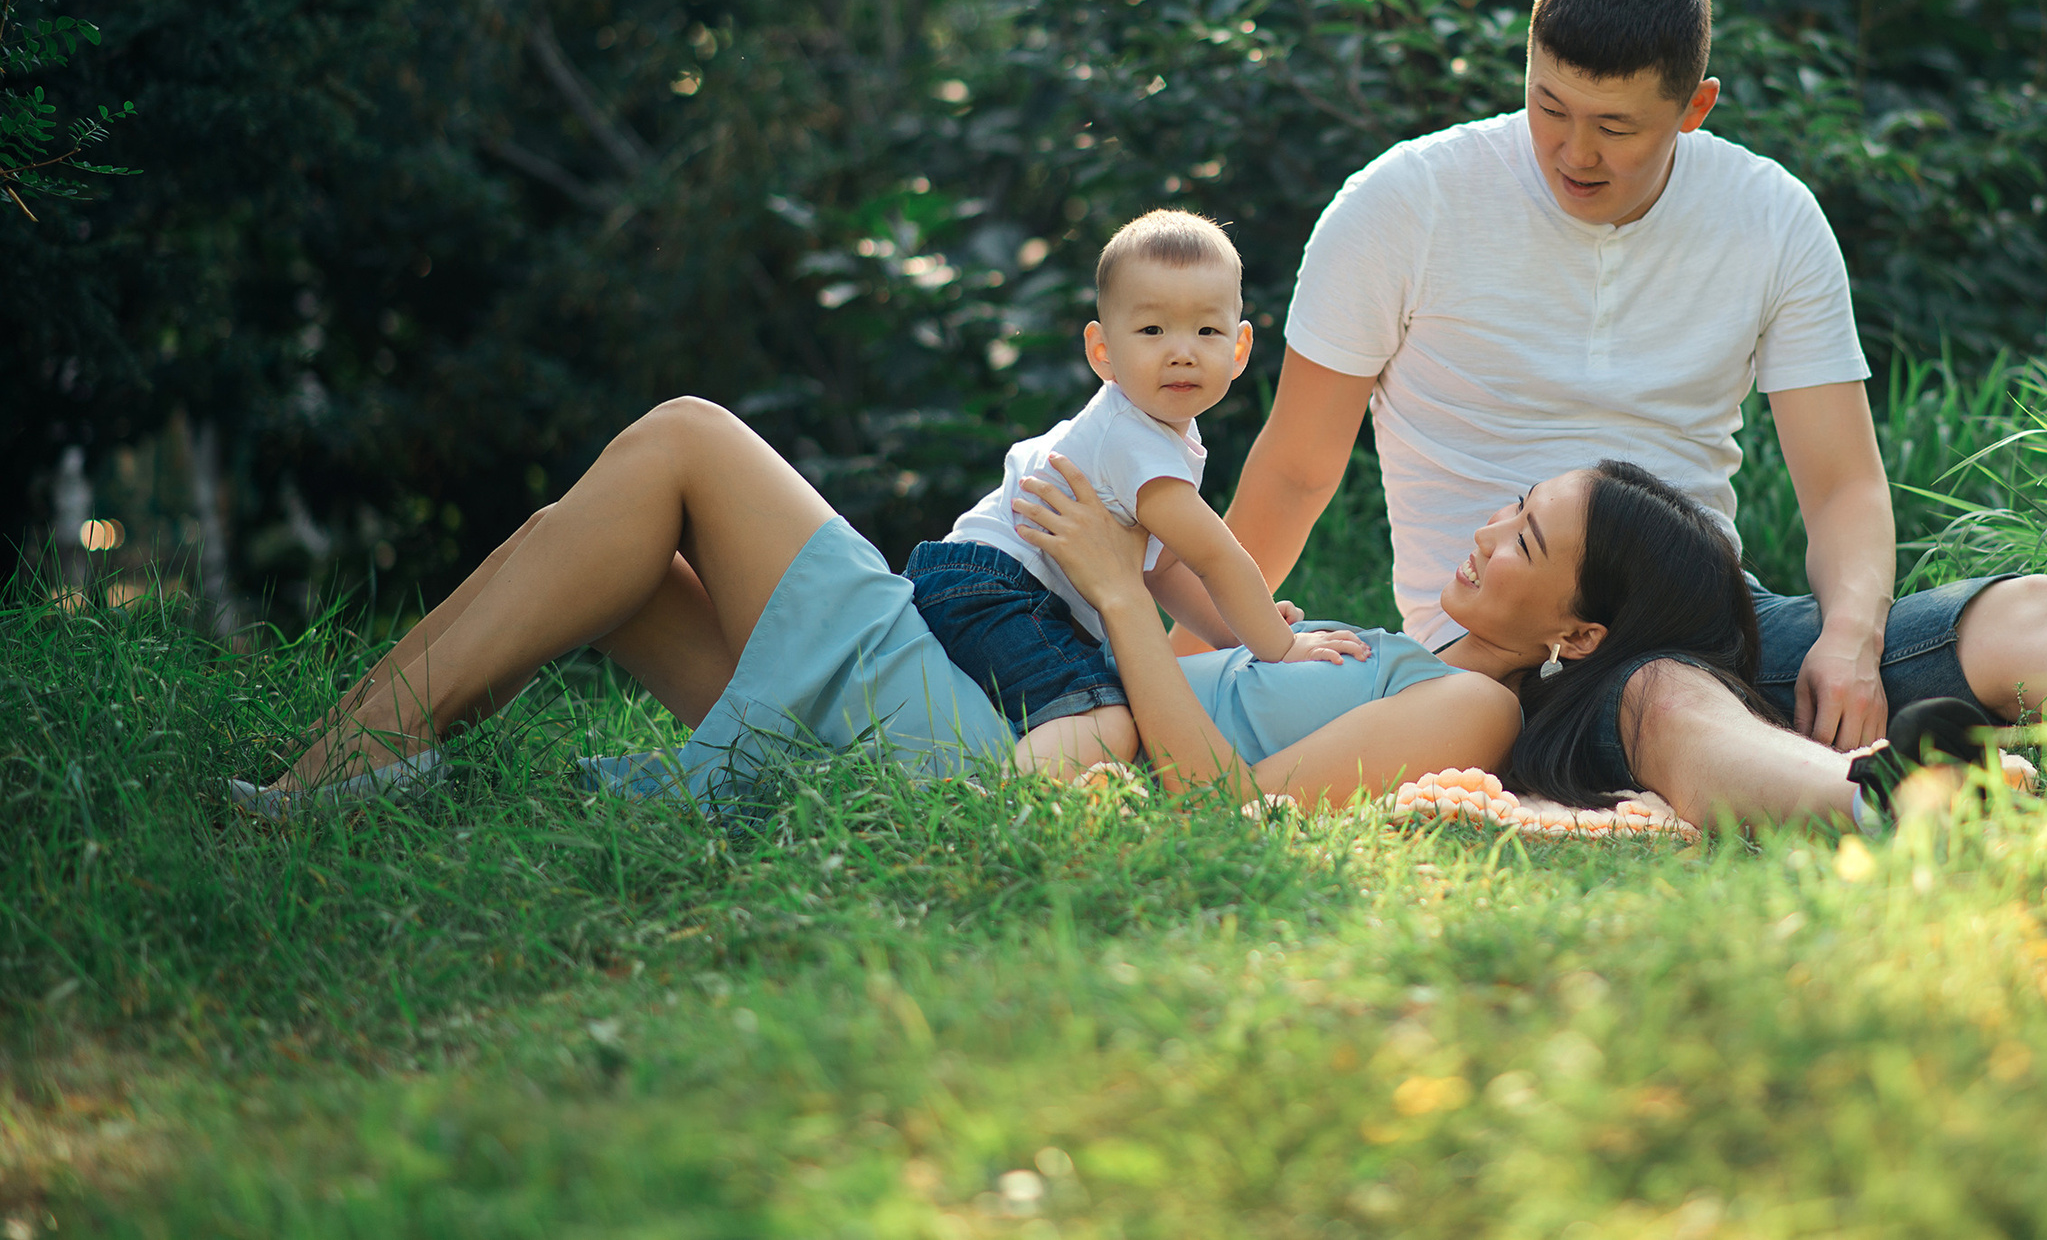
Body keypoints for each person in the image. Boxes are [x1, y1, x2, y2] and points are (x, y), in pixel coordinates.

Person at [1212, 0, 2047, 835]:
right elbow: (1299, 468)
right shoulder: (1401, 204)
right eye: (1549, 108)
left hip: (1714, 608)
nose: (1571, 152)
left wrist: (1850, 642)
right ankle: (1900, 810)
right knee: (1662, 698)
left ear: (1695, 106)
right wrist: (1173, 662)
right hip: (1521, 652)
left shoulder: (1768, 215)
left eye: (1615, 126)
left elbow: (1842, 487)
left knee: (2025, 616)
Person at [228, 396, 1763, 818]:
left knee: (687, 444)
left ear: (1574, 634)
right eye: (1508, 509)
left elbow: (1219, 797)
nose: (1487, 536)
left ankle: (345, 765)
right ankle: (372, 765)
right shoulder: (1418, 657)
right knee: (628, 563)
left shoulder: (1479, 709)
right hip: (1001, 705)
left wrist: (1111, 594)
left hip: (991, 738)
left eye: (1526, 541)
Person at [902, 209, 1367, 779]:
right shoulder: (1134, 440)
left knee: (1066, 700)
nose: (1182, 351)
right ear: (1102, 352)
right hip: (999, 589)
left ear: (1240, 349)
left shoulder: (1152, 433)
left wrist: (1236, 633)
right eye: (1152, 330)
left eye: (1207, 331)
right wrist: (1280, 647)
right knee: (1103, 719)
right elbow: (1214, 556)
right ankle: (992, 811)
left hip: (983, 583)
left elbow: (1164, 567)